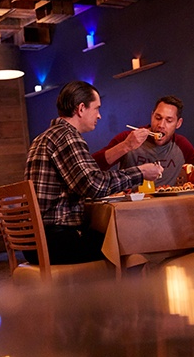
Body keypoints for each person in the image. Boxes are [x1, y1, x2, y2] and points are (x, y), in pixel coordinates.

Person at [25, 81, 163, 265]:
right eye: (97, 108)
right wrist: (140, 172)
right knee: (131, 241)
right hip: (56, 240)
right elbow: (94, 185)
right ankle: (134, 293)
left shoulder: (43, 138)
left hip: (34, 242)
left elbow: (84, 183)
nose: (99, 115)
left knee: (118, 238)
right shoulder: (66, 136)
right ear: (81, 108)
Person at [92, 95, 194, 187]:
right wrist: (126, 145)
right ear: (152, 115)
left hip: (168, 209)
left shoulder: (181, 144)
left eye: (169, 120)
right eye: (158, 118)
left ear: (178, 123)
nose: (161, 125)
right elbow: (93, 166)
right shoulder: (129, 137)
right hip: (132, 207)